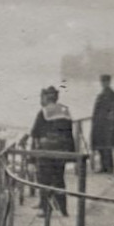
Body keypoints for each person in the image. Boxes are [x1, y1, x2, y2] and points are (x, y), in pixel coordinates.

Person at [30, 86, 76, 216]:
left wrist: (31, 157)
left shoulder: (43, 112)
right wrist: (71, 153)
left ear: (45, 97)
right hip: (62, 150)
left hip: (46, 151)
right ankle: (63, 208)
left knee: (44, 178)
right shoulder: (65, 110)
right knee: (59, 178)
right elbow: (69, 133)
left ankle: (45, 208)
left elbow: (35, 134)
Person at [91, 74, 114, 174]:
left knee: (107, 146)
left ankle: (109, 166)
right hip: (99, 124)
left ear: (109, 82)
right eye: (102, 81)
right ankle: (104, 166)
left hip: (107, 124)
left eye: (105, 81)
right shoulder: (100, 95)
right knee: (100, 145)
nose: (103, 83)